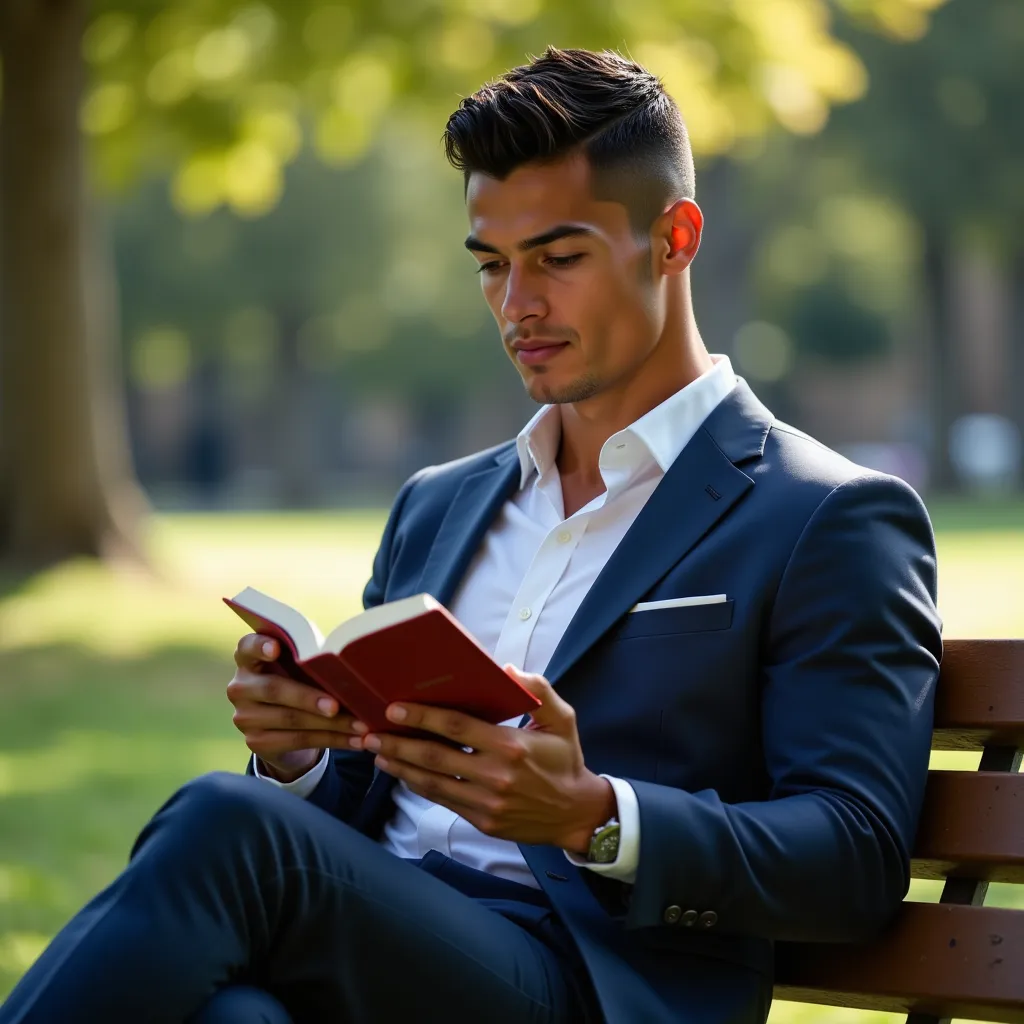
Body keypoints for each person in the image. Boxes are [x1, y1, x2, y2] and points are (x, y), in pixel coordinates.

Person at [0, 46, 942, 1024]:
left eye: (558, 258)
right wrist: (304, 756)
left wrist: (594, 817)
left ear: (674, 238)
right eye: (492, 265)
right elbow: (369, 800)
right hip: (385, 956)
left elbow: (855, 852)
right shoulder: (440, 503)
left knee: (227, 824)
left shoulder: (822, 515)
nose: (515, 305)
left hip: (596, 984)